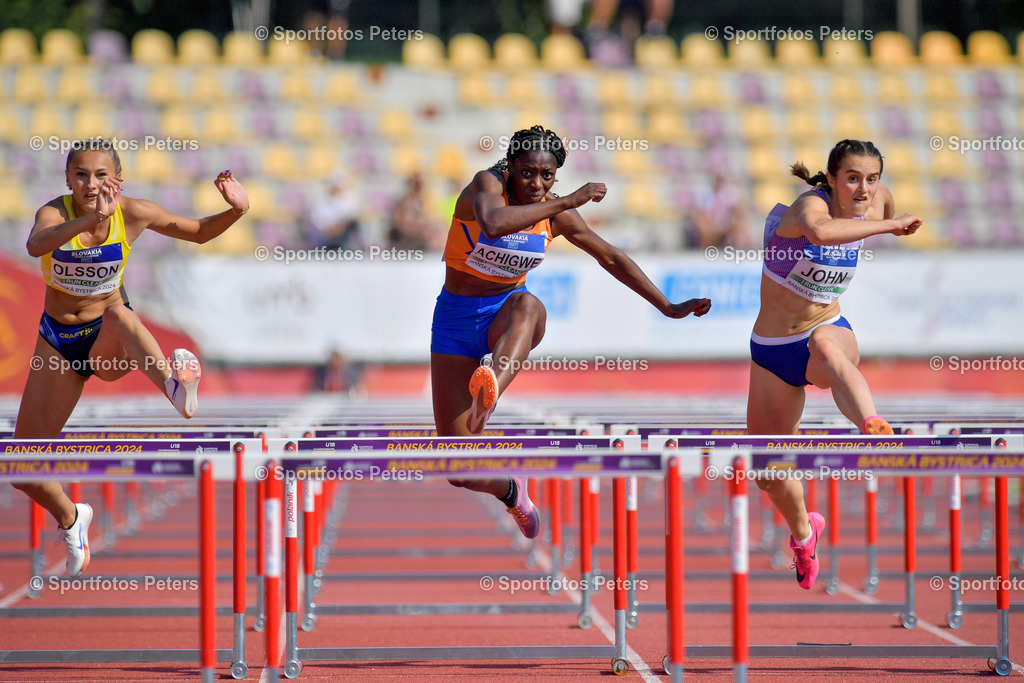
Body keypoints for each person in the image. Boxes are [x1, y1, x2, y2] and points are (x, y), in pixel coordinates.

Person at [431, 125, 712, 538]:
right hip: (454, 321)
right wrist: (567, 200)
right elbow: (492, 224)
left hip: (506, 318)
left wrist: (667, 306)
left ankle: (488, 392)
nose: (537, 184)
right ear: (510, 168)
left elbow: (611, 257)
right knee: (458, 469)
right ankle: (512, 490)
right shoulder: (486, 186)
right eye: (527, 173)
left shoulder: (554, 211)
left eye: (547, 177)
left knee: (528, 304)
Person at [13, 139, 249, 578]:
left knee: (120, 312)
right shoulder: (55, 213)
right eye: (81, 175)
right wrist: (89, 219)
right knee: (24, 466)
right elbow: (34, 245)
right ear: (67, 180)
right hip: (58, 344)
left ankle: (174, 388)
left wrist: (236, 211)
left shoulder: (134, 213)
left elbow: (197, 232)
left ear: (116, 181)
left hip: (108, 344)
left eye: (101, 176)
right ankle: (72, 517)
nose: (90, 183)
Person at [746, 139, 922, 589]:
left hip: (828, 327)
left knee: (826, 344)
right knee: (769, 473)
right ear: (831, 179)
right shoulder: (809, 208)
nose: (864, 189)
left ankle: (873, 424)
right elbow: (822, 234)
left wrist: (892, 222)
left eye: (871, 179)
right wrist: (891, 227)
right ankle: (805, 533)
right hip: (772, 349)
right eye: (853, 179)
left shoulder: (878, 200)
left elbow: (885, 211)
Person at [686, 170, 752, 250]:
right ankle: (704, 251)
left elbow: (738, 210)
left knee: (740, 224)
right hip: (711, 224)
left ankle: (741, 251)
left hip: (725, 223)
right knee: (704, 225)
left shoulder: (729, 193)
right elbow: (698, 213)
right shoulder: (705, 194)